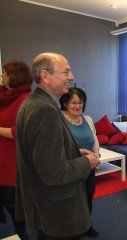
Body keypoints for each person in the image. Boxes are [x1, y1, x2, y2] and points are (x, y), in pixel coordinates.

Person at [15, 52, 100, 240]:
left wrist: (74, 152)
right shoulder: (44, 110)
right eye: (66, 72)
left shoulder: (33, 102)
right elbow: (53, 172)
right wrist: (87, 162)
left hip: (45, 205)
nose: (71, 77)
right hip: (56, 211)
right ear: (45, 75)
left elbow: (41, 154)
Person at [59, 87, 99, 237]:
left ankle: (87, 225)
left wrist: (96, 156)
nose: (77, 106)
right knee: (71, 201)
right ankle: (70, 228)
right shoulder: (60, 120)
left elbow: (94, 141)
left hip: (89, 168)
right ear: (65, 103)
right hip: (71, 168)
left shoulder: (87, 119)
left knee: (88, 197)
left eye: (80, 102)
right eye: (73, 102)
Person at [0, 60, 33, 240]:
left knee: (14, 205)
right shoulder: (3, 95)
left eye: (4, 73)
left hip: (12, 162)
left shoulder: (25, 100)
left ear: (14, 76)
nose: (2, 76)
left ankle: (22, 233)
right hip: (1, 157)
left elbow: (19, 132)